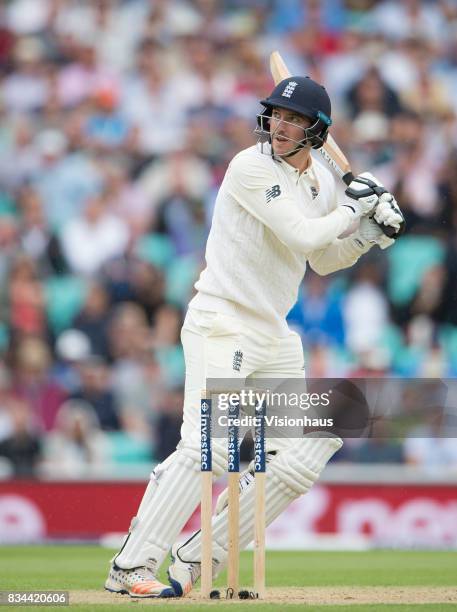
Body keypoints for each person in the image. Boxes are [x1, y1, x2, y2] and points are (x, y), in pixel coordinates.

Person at [104, 75, 404, 598]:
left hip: (274, 333)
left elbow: (323, 257)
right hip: (222, 322)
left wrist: (369, 234)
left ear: (318, 131)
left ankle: (202, 554)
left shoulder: (320, 186)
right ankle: (131, 566)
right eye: (276, 115)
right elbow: (302, 233)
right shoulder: (249, 166)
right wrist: (358, 205)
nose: (281, 126)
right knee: (211, 449)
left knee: (309, 446)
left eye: (294, 119)